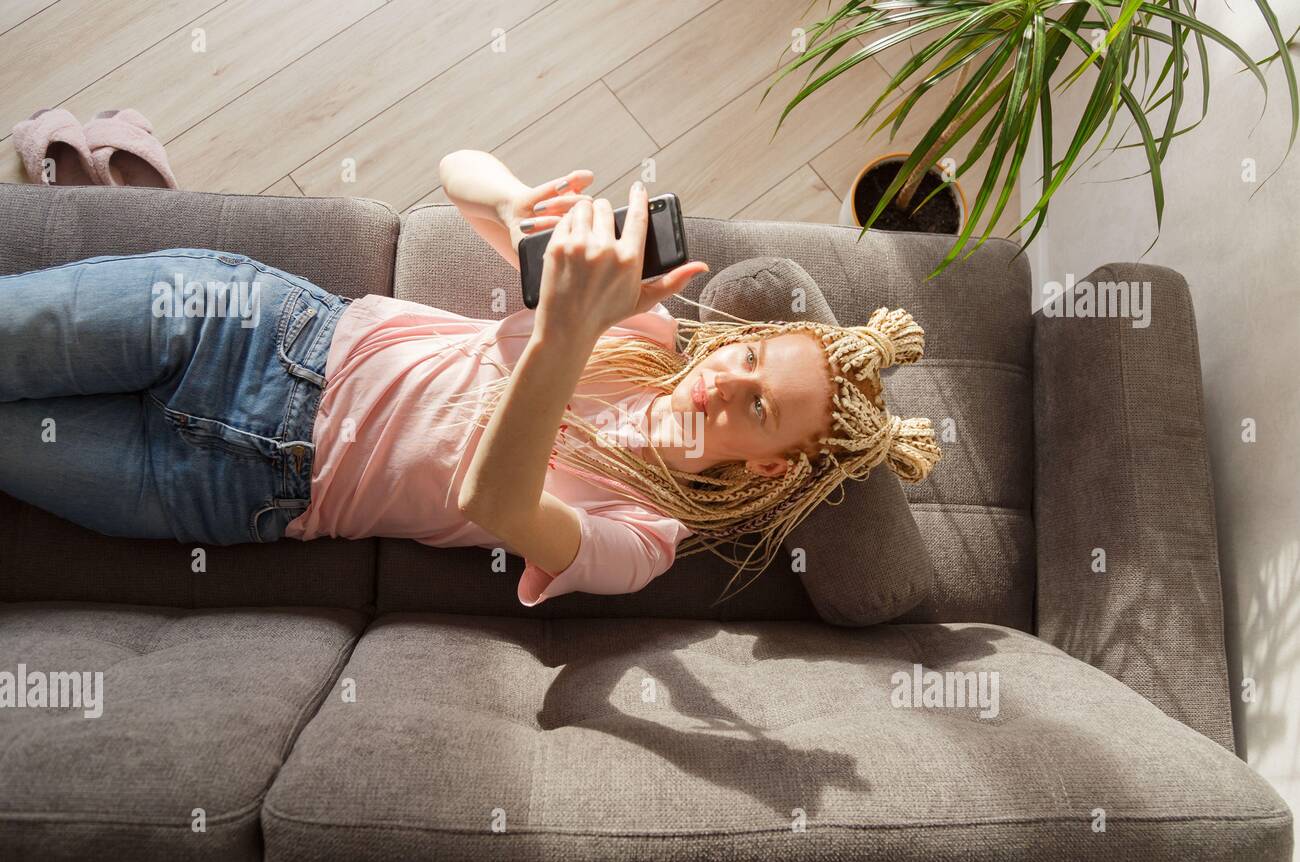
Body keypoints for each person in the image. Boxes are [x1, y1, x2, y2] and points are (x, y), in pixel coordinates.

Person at [0, 150, 939, 605]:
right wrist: (511, 203)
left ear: (772, 466)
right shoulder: (640, 332)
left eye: (760, 406)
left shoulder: (643, 540)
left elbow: (493, 498)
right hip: (260, 335)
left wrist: (564, 337)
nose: (726, 383)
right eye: (742, 357)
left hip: (237, 487)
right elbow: (455, 170)